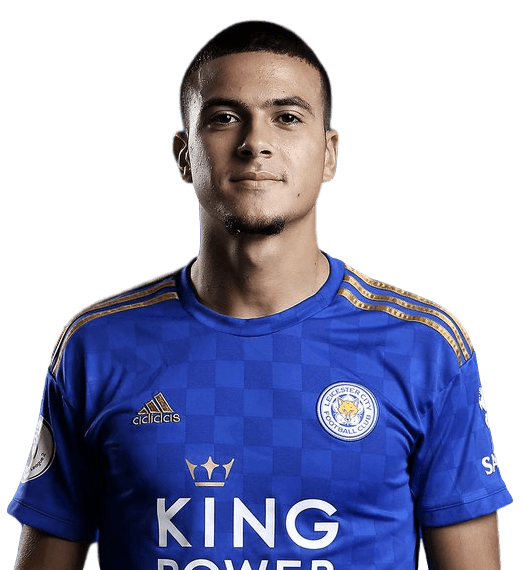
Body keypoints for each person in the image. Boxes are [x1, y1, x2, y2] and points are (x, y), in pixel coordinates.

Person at [8, 19, 511, 570]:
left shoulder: (424, 347)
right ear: (183, 155)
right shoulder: (97, 345)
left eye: (287, 117)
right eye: (224, 118)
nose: (255, 144)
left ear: (329, 154)